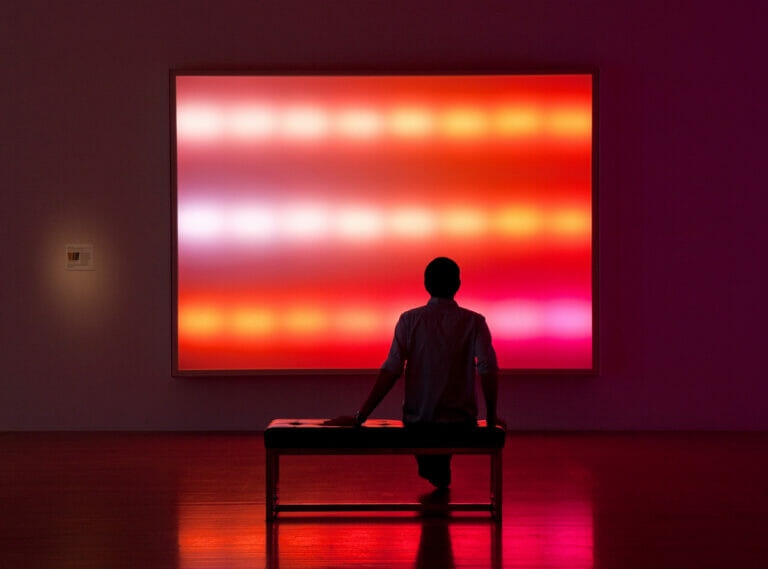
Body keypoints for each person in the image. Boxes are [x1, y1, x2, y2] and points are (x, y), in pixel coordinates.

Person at [326, 257, 504, 490]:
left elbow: (391, 370)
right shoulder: (474, 322)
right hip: (460, 422)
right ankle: (438, 468)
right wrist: (491, 416)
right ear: (458, 284)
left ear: (426, 284)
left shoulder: (410, 320)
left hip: (419, 422)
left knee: (430, 459)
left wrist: (360, 416)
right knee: (437, 461)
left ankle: (434, 468)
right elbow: (488, 368)